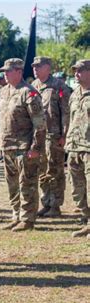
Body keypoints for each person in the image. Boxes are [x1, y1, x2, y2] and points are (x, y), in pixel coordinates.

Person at [0, 58, 46, 232]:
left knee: (27, 183)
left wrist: (36, 147)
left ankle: (28, 218)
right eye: (4, 71)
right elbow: (0, 119)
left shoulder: (29, 93)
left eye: (8, 71)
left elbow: (39, 124)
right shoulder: (3, 92)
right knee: (12, 184)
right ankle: (16, 215)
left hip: (24, 147)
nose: (5, 74)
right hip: (7, 146)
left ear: (18, 72)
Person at [31, 57, 71, 218]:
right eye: (34, 67)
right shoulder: (33, 86)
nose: (35, 69)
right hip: (38, 137)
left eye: (39, 66)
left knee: (55, 170)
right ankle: (46, 202)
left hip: (54, 136)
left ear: (48, 67)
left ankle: (55, 204)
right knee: (41, 171)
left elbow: (66, 113)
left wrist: (64, 135)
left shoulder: (58, 86)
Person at [66, 60, 90, 239]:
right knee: (77, 187)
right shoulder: (74, 94)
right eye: (75, 70)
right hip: (74, 147)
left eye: (80, 70)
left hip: (89, 148)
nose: (76, 73)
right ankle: (86, 219)